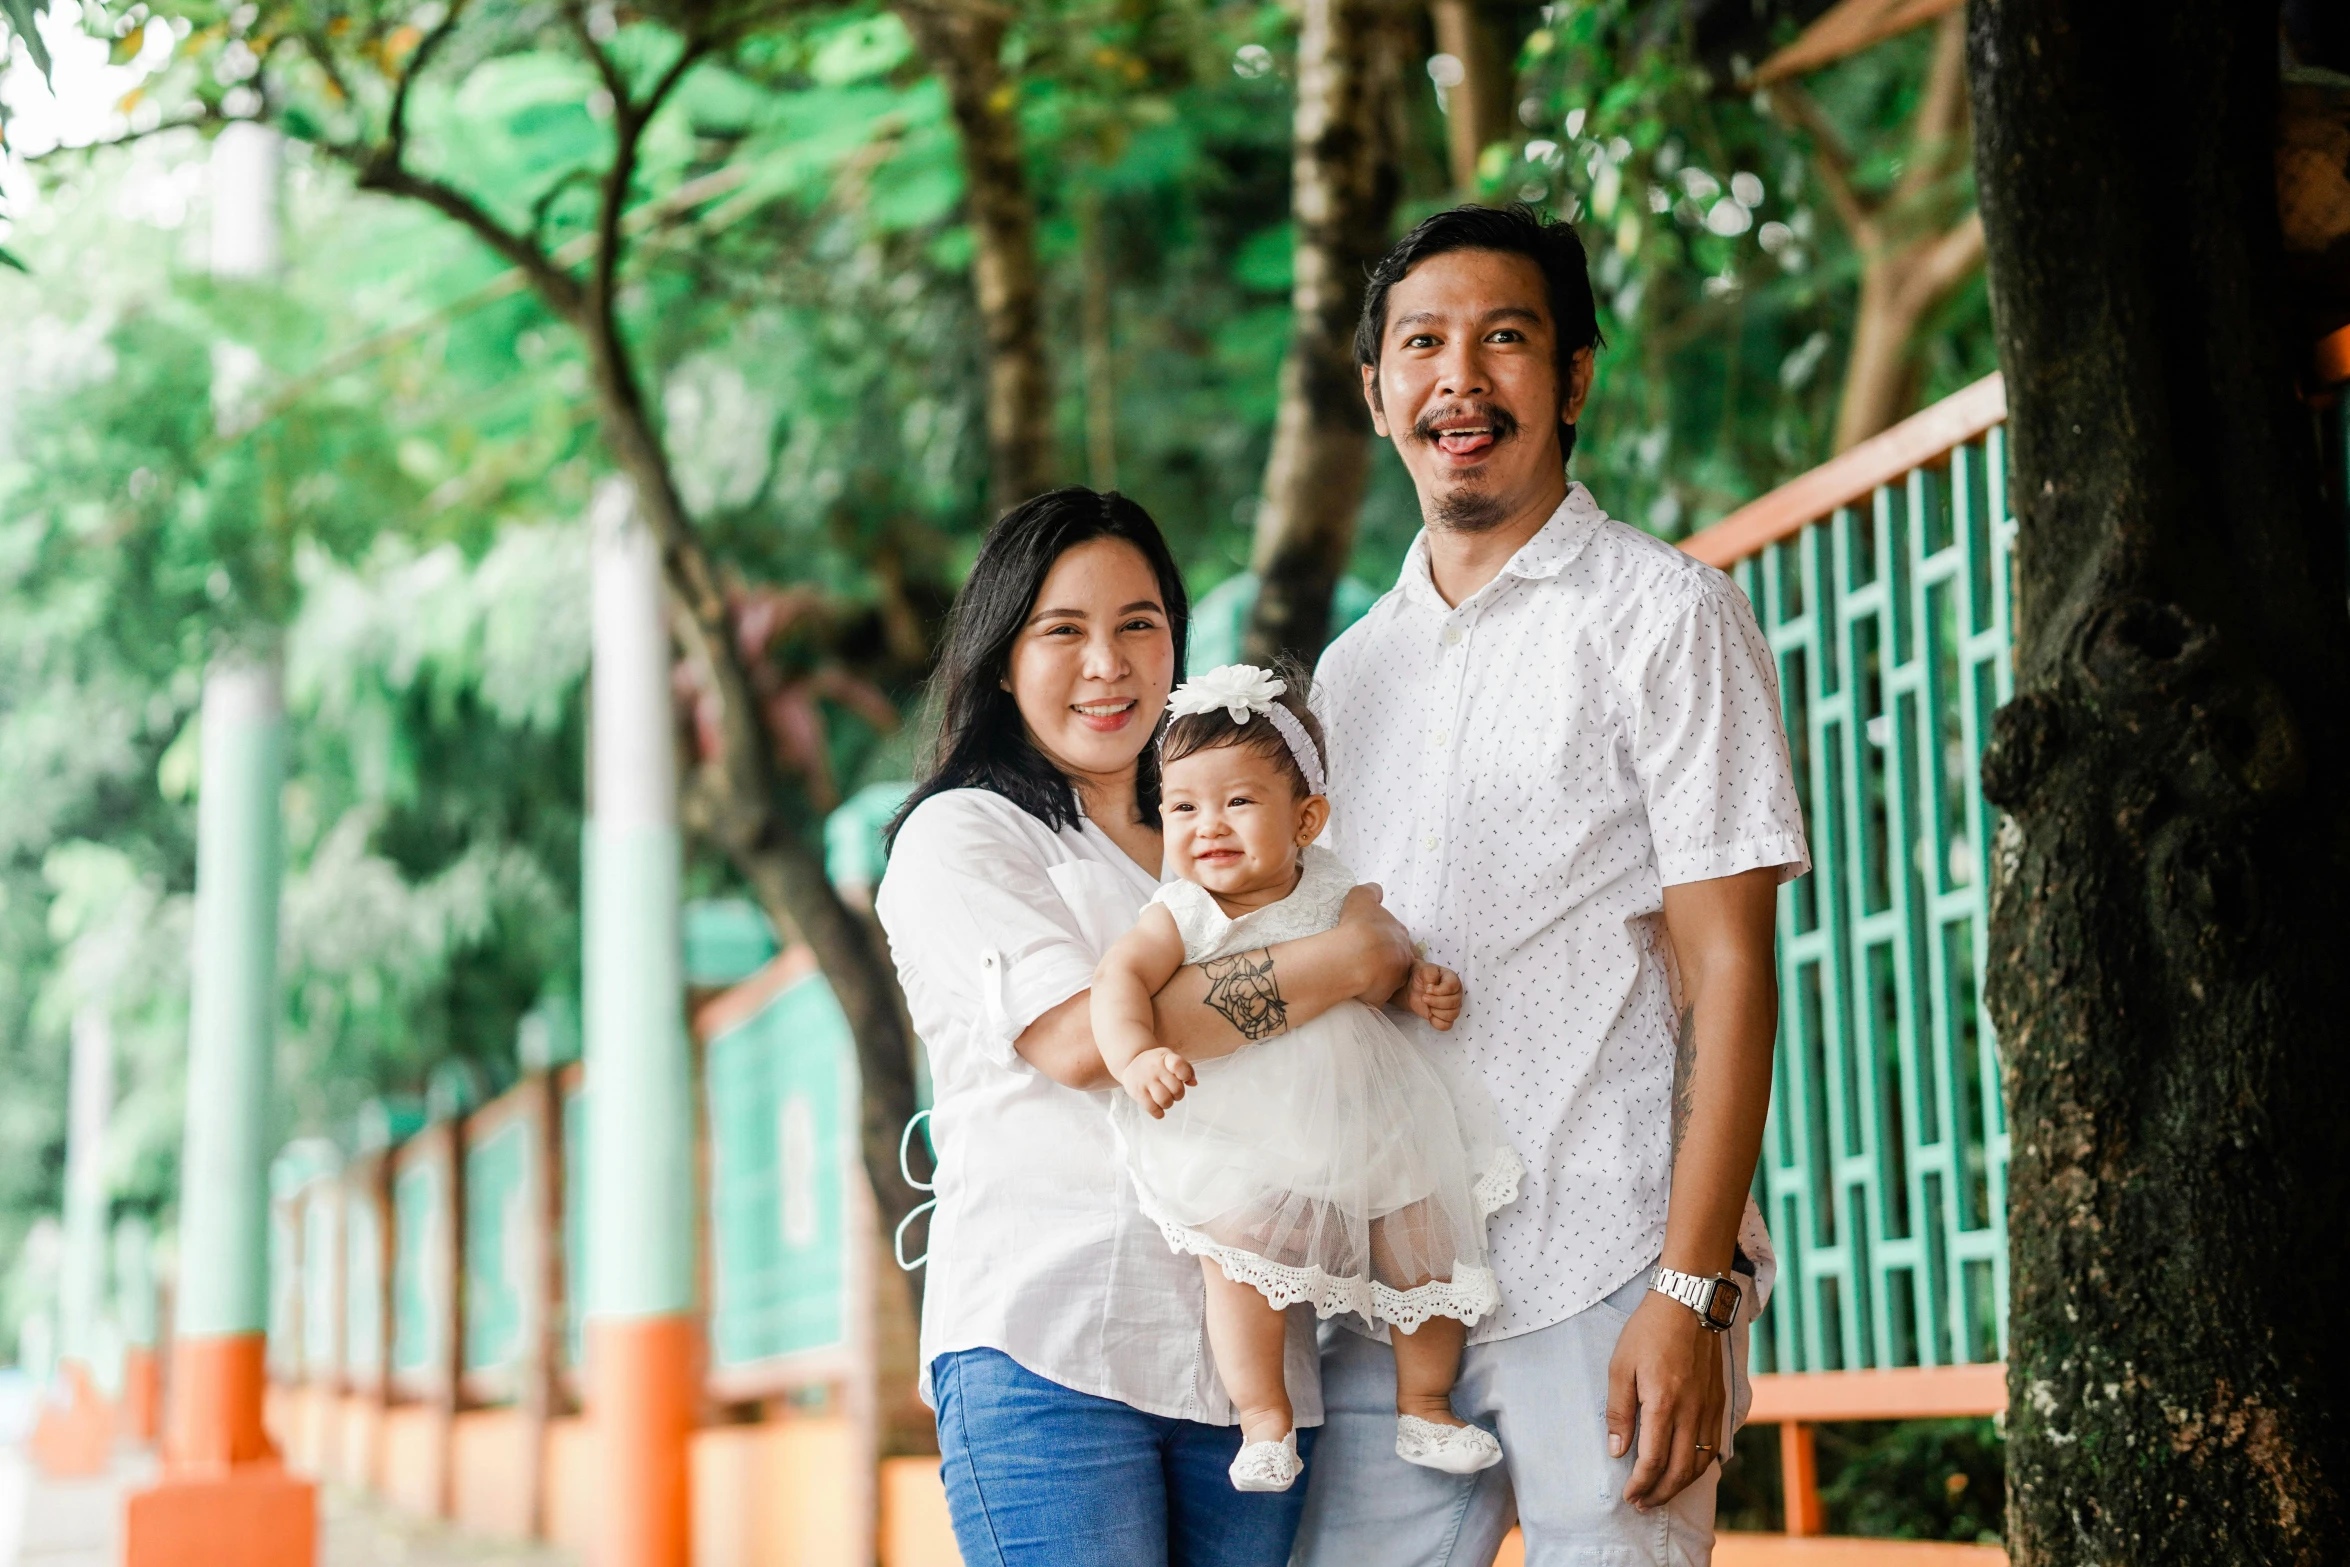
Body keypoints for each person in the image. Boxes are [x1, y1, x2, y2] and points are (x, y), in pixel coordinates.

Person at [1294, 204, 1809, 1567]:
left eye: (1502, 339)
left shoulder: (1666, 615)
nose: (1458, 379)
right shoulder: (1349, 676)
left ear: (1572, 377)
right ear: (1376, 389)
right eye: (1422, 344)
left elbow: (1730, 969)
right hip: (1392, 1304)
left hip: (1604, 1270)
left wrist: (1688, 1292)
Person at [874, 488, 1421, 1567]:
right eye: (1062, 630)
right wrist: (1339, 965)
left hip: (1252, 1370)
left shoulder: (1218, 834)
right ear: (999, 657)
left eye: (1138, 624)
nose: (1107, 663)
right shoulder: (964, 835)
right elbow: (1081, 1043)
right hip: (1052, 1342)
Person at [1090, 661, 1520, 1495]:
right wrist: (1136, 1053)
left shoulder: (1335, 887)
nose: (1206, 825)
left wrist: (1418, 984)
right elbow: (1118, 981)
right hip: (1248, 1128)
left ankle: (1426, 1404)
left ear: (1307, 817)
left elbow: (1385, 959)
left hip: (1366, 1115)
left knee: (1422, 1237)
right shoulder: (1182, 911)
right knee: (1242, 1258)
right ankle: (1262, 1420)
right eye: (1183, 806)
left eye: (1237, 802)